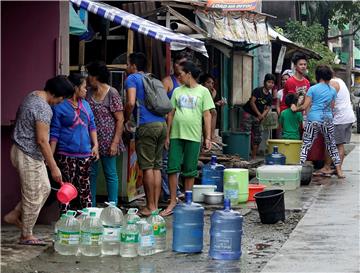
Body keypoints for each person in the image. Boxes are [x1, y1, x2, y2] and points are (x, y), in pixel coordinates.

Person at [4, 76, 74, 245]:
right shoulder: (43, 108)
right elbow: (42, 141)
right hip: (28, 154)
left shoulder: (32, 95)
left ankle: (14, 214)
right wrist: (54, 167)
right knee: (33, 195)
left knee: (44, 189)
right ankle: (26, 235)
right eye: (62, 98)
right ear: (57, 94)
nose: (61, 102)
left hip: (24, 151)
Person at [161, 61, 215, 217]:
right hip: (176, 135)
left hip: (193, 136)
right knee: (172, 168)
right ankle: (172, 201)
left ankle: (188, 202)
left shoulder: (203, 91)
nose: (180, 77)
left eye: (182, 74)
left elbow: (207, 115)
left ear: (189, 74)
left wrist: (208, 138)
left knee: (190, 170)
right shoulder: (178, 91)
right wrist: (167, 135)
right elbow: (171, 113)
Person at [124, 52, 167, 217]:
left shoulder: (132, 79)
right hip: (162, 125)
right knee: (156, 166)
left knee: (147, 167)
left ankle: (150, 206)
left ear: (134, 66)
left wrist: (126, 118)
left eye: (128, 64)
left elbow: (130, 102)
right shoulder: (153, 78)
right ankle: (154, 206)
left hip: (146, 126)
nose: (127, 68)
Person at [50, 73, 99, 213]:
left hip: (85, 153)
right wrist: (50, 156)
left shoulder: (86, 105)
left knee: (85, 186)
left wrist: (95, 145)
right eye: (84, 87)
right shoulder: (60, 107)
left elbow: (92, 126)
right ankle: (65, 217)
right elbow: (54, 133)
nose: (86, 90)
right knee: (66, 187)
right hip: (66, 154)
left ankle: (88, 217)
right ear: (75, 88)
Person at [291, 65, 345, 178]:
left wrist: (296, 109)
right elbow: (332, 107)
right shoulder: (333, 91)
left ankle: (300, 168)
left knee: (306, 144)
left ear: (318, 76)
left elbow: (305, 106)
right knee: (331, 146)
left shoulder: (313, 89)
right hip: (327, 119)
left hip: (314, 119)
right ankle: (339, 171)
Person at [86, 61, 125, 206]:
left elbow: (120, 120)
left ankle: (113, 206)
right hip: (92, 141)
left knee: (110, 174)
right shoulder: (88, 93)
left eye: (90, 74)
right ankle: (92, 206)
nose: (88, 78)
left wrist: (114, 143)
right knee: (92, 174)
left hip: (109, 141)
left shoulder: (112, 93)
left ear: (96, 77)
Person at [315, 75, 356, 177]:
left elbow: (330, 104)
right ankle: (336, 169)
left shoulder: (332, 84)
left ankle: (330, 168)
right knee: (339, 144)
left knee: (332, 144)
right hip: (347, 117)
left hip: (340, 119)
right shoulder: (339, 80)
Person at [161, 52, 188, 200]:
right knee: (166, 162)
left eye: (184, 64)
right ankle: (170, 192)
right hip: (168, 128)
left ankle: (174, 191)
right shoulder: (168, 82)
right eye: (178, 63)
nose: (180, 67)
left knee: (178, 161)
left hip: (184, 130)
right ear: (173, 64)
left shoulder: (188, 83)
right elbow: (160, 104)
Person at [240, 74, 275, 159]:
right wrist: (259, 114)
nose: (270, 84)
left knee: (257, 136)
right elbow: (252, 102)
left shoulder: (270, 97)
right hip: (248, 112)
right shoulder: (257, 91)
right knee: (246, 134)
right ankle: (243, 155)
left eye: (272, 83)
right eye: (269, 82)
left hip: (258, 117)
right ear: (264, 82)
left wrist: (261, 116)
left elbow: (267, 109)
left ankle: (253, 157)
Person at [199, 73, 226, 143]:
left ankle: (211, 136)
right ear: (202, 83)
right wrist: (213, 97)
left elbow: (210, 104)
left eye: (212, 83)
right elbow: (204, 105)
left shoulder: (209, 92)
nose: (211, 85)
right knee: (213, 112)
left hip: (204, 114)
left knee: (213, 111)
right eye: (208, 82)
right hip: (198, 113)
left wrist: (218, 103)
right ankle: (211, 136)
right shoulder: (200, 90)